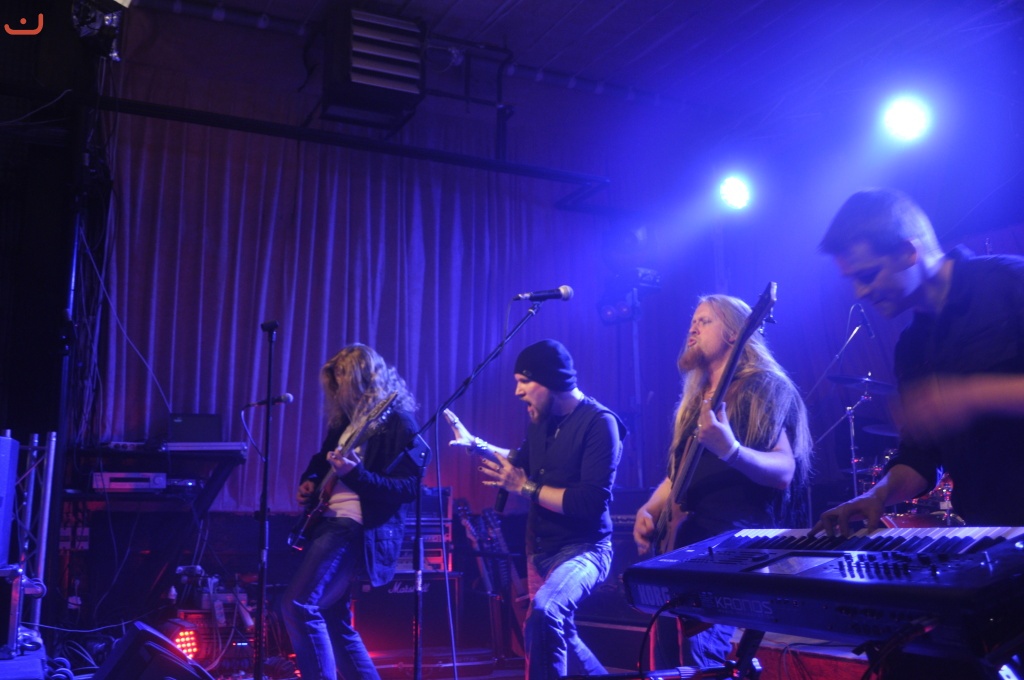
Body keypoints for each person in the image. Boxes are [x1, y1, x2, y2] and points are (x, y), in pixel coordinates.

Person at [814, 188, 1024, 679]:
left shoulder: (1009, 283)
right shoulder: (911, 345)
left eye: (868, 275)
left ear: (909, 251)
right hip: (997, 540)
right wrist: (876, 495)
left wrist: (969, 395)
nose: (860, 293)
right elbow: (921, 457)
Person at [633, 294, 812, 670]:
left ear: (735, 333)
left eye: (705, 321)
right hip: (685, 552)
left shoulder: (762, 386)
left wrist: (731, 450)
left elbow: (784, 470)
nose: (692, 328)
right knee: (672, 665)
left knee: (702, 664)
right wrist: (650, 508)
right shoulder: (696, 398)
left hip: (729, 553)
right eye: (692, 321)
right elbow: (680, 474)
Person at [444, 339, 625, 680]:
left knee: (544, 612)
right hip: (539, 549)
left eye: (524, 381)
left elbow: (588, 502)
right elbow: (520, 460)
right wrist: (476, 445)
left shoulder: (599, 423)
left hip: (584, 549)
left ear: (550, 380)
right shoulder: (542, 421)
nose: (517, 392)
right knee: (559, 632)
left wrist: (525, 488)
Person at [281, 343, 428, 680]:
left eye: (342, 380)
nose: (337, 390)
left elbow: (408, 488)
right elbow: (322, 460)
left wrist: (355, 474)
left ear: (363, 379)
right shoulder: (347, 422)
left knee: (298, 605)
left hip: (352, 525)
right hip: (328, 519)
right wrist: (310, 479)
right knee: (333, 618)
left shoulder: (397, 422)